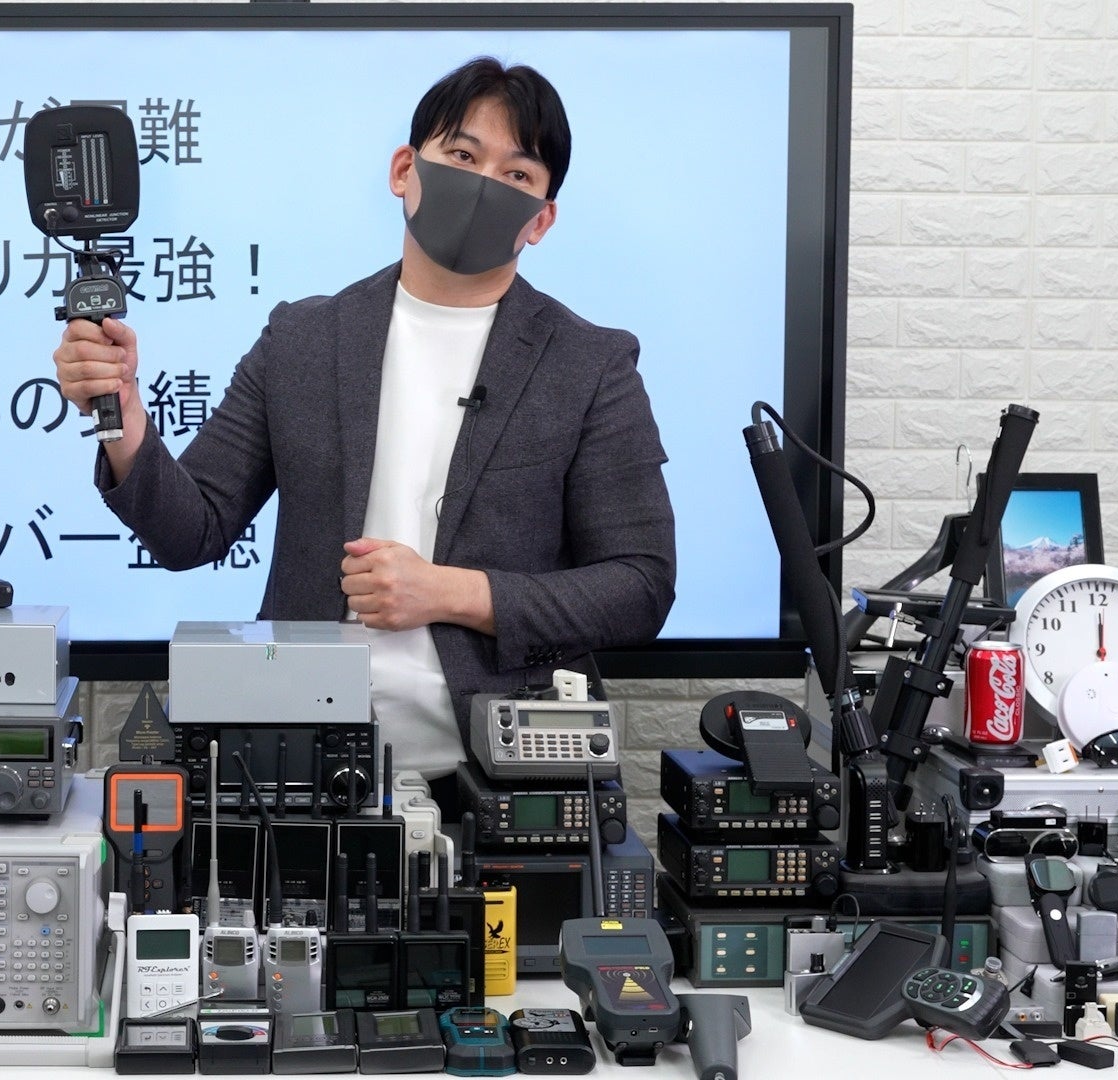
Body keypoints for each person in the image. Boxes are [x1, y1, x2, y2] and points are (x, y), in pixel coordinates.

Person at [51, 57, 674, 778]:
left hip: (500, 779)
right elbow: (192, 529)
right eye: (462, 156)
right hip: (298, 771)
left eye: (517, 175)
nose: (484, 185)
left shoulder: (590, 364)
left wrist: (453, 592)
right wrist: (125, 412)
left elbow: (640, 585)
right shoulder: (304, 339)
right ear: (405, 169)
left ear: (542, 219)